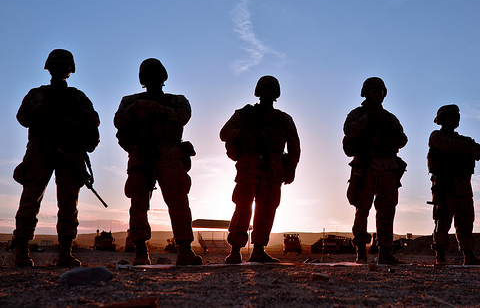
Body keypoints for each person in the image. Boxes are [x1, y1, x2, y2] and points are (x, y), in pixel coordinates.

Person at [13, 49, 100, 267]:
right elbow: (22, 117)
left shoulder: (77, 97)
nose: (60, 70)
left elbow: (93, 122)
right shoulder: (38, 95)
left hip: (69, 152)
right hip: (42, 148)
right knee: (31, 199)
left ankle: (64, 252)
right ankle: (23, 250)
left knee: (67, 203)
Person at [114, 58, 202, 266]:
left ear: (163, 78)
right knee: (138, 204)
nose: (153, 79)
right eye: (148, 76)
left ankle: (184, 249)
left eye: (156, 75)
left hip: (170, 152)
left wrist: (155, 108)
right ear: (143, 79)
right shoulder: (130, 101)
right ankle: (141, 251)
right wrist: (137, 106)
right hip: (141, 154)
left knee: (178, 202)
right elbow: (118, 121)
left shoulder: (177, 100)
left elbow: (183, 116)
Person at [220, 75, 300, 263]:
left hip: (273, 168)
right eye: (265, 89)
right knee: (243, 207)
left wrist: (291, 167)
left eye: (271, 90)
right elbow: (224, 133)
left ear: (276, 94)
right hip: (249, 164)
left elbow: (294, 146)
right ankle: (235, 250)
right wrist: (242, 133)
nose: (268, 93)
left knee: (267, 209)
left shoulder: (283, 119)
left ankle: (258, 249)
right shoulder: (244, 114)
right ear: (258, 92)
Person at [343, 77, 407, 264]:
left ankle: (385, 251)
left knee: (387, 210)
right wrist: (368, 118)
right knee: (362, 208)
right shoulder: (357, 113)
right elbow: (349, 131)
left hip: (388, 167)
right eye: (374, 91)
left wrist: (388, 126)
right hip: (365, 166)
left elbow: (402, 140)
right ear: (366, 93)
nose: (378, 94)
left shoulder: (390, 117)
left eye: (380, 91)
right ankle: (361, 252)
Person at [427, 104, 480, 265]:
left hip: (463, 186)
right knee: (442, 221)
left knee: (466, 221)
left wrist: (461, 148)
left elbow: (479, 151)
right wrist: (464, 149)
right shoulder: (436, 136)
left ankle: (468, 254)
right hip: (445, 185)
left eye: (457, 116)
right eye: (452, 116)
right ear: (443, 120)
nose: (456, 119)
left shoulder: (462, 139)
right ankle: (440, 255)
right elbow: (447, 145)